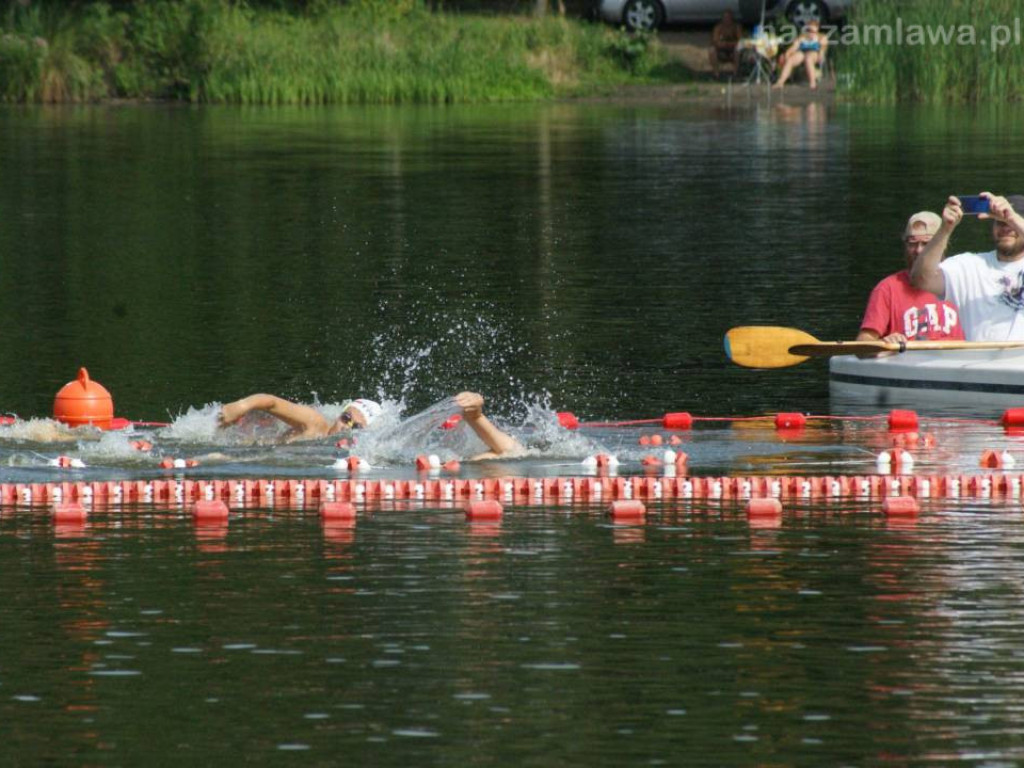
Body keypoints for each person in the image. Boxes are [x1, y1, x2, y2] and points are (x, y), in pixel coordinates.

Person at [218, 391, 523, 458]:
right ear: (339, 415)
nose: (347, 428)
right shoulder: (317, 426)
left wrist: (477, 417)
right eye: (346, 419)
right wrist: (241, 406)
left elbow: (513, 454)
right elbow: (270, 402)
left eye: (356, 427)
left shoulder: (368, 452)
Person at [910, 193, 1024, 341]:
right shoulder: (970, 265)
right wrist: (945, 228)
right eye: (1000, 222)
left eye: (1010, 223)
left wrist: (1012, 218)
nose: (1006, 228)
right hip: (978, 362)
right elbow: (921, 279)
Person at [857, 211, 965, 348]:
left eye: (926, 244)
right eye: (912, 243)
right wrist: (884, 342)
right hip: (908, 364)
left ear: (943, 245)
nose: (919, 250)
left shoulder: (961, 282)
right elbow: (863, 342)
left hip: (957, 364)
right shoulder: (887, 289)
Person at [772, 20, 828, 90]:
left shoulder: (821, 37)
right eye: (808, 30)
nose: (810, 33)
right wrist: (787, 54)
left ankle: (812, 83)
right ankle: (780, 82)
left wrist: (821, 54)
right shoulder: (802, 37)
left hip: (814, 53)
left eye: (812, 31)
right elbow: (793, 48)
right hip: (802, 53)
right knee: (790, 59)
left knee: (808, 58)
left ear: (817, 30)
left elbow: (822, 49)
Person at [708, 10, 742, 80]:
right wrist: (721, 44)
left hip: (733, 50)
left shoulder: (736, 27)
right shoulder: (718, 28)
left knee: (738, 50)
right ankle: (716, 74)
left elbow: (740, 41)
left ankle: (735, 74)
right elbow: (715, 41)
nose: (727, 20)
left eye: (729, 18)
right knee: (711, 50)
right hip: (721, 50)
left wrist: (729, 44)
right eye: (725, 18)